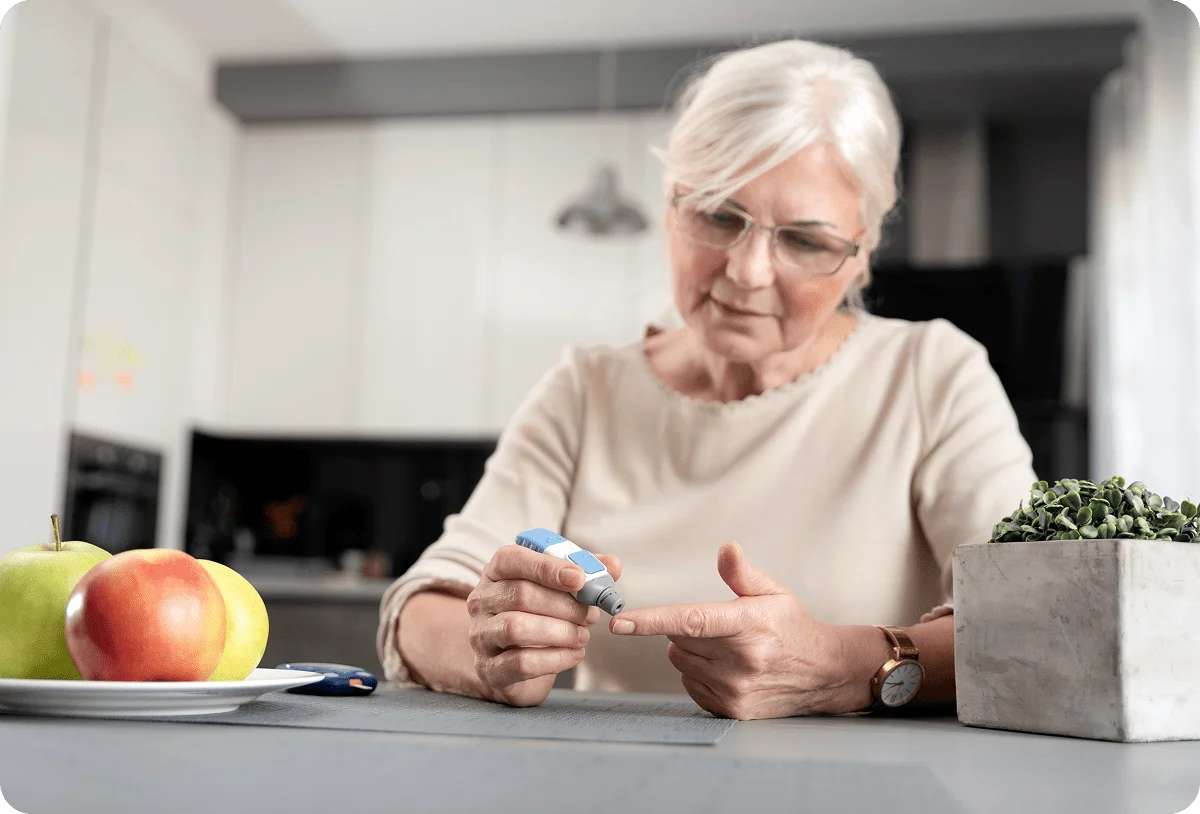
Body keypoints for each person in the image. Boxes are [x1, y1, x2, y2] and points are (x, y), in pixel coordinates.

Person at [376, 38, 1035, 720]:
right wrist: (487, 645)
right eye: (720, 215)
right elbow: (420, 609)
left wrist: (847, 666)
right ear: (671, 204)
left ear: (860, 254)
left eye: (805, 241)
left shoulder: (933, 376)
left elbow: (1034, 621)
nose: (748, 273)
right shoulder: (586, 391)